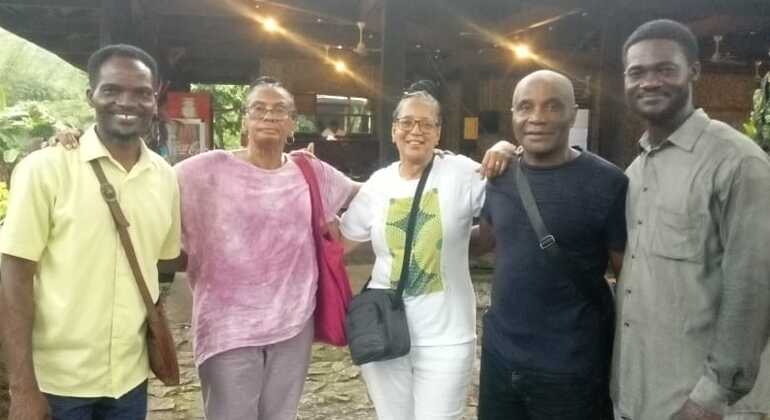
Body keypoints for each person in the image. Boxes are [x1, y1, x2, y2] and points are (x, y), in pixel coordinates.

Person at [0, 44, 181, 420]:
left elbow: (163, 260)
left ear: (155, 99)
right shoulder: (45, 170)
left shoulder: (164, 178)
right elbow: (14, 279)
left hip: (129, 380)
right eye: (112, 90)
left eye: (141, 92)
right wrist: (22, 388)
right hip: (56, 384)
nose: (126, 102)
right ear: (90, 96)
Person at [174, 76, 361, 420]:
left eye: (280, 110)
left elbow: (369, 193)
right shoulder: (207, 170)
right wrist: (75, 145)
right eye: (258, 108)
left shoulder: (309, 170)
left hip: (293, 322)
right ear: (245, 119)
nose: (269, 116)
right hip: (227, 325)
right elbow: (147, 182)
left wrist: (425, 164)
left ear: (292, 123)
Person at [612, 19, 770, 420]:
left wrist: (712, 396)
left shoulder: (737, 163)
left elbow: (754, 286)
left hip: (704, 405)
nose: (649, 82)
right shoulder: (636, 171)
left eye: (665, 69)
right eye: (637, 72)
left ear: (693, 72)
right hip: (640, 394)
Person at [339, 81, 516, 420]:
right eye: (407, 122)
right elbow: (340, 242)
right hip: (386, 330)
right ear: (394, 130)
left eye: (426, 123)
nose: (415, 131)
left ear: (438, 133)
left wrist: (505, 147)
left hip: (446, 335)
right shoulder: (378, 184)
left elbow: (505, 187)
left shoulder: (461, 173)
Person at [474, 70, 628, 420]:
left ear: (573, 114)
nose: (537, 118)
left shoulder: (608, 183)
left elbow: (628, 278)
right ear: (513, 115)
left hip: (572, 369)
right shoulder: (501, 176)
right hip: (500, 361)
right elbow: (484, 239)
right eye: (525, 107)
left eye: (553, 106)